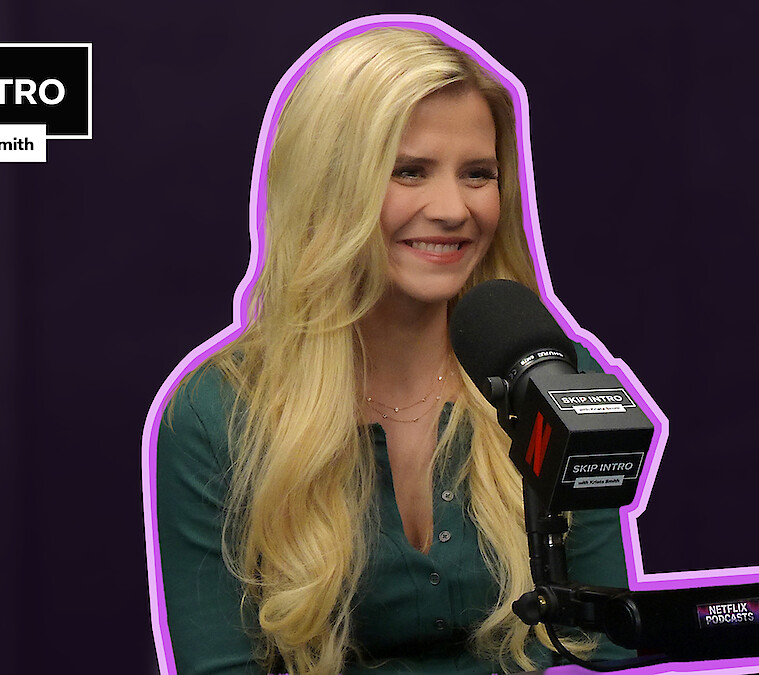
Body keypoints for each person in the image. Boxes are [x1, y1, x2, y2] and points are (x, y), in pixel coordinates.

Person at [156, 25, 632, 675]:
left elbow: (606, 647)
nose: (453, 209)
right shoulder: (216, 412)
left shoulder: (559, 378)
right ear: (329, 187)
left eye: (478, 174)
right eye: (409, 171)